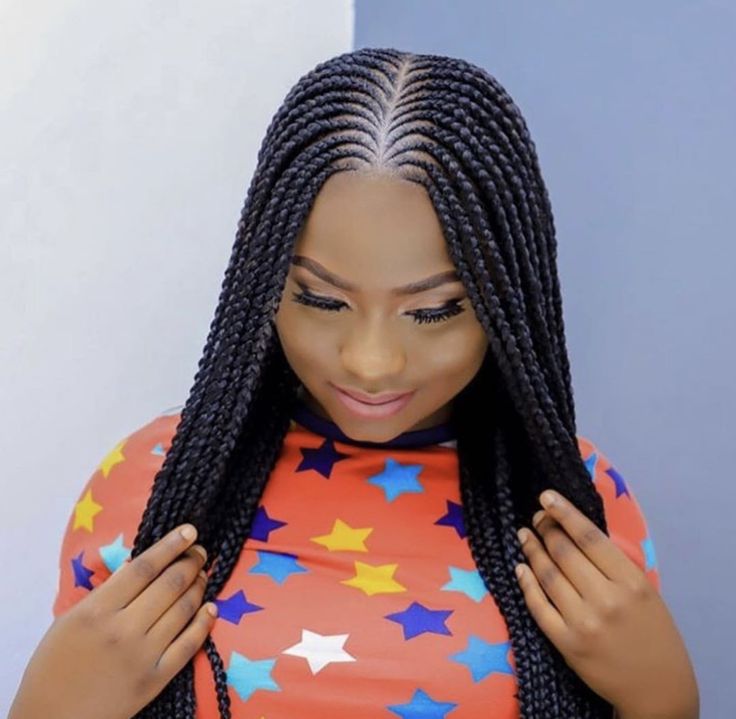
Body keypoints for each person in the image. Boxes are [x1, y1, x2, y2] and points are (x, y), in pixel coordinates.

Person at [9, 47, 698, 719]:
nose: (371, 362)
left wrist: (662, 698)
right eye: (321, 299)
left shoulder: (570, 503)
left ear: (506, 302)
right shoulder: (151, 485)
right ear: (262, 280)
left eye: (434, 310)